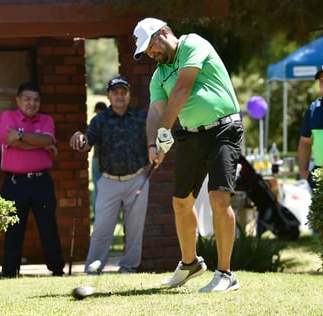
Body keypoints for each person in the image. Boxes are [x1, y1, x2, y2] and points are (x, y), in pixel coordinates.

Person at [133, 17, 243, 292]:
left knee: (219, 198)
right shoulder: (159, 75)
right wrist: (152, 144)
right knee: (181, 202)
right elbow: (155, 113)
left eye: (151, 46)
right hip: (191, 133)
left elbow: (183, 88)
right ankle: (190, 263)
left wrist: (165, 131)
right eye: (146, 51)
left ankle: (226, 274)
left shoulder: (193, 43)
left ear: (165, 33)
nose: (151, 53)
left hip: (223, 129)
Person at [70, 75, 149, 274]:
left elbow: (154, 140)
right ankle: (94, 265)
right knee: (102, 228)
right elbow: (88, 142)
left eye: (124, 92)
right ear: (108, 95)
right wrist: (80, 138)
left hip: (137, 179)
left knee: (134, 228)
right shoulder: (100, 120)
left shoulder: (141, 117)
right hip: (108, 181)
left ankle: (129, 267)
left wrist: (149, 162)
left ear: (129, 94)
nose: (120, 96)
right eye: (116, 93)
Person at [0, 82, 65, 278]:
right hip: (14, 183)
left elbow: (48, 140)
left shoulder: (46, 119)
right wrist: (38, 142)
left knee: (48, 227)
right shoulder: (7, 117)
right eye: (27, 99)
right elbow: (9, 141)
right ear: (18, 100)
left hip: (41, 182)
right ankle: (9, 274)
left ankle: (57, 270)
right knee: (13, 229)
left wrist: (20, 137)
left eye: (36, 100)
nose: (31, 103)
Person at [91, 101, 107, 218]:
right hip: (100, 159)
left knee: (98, 188)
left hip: (100, 159)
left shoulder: (96, 122)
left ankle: (99, 214)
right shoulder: (108, 122)